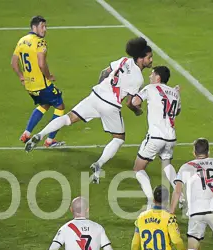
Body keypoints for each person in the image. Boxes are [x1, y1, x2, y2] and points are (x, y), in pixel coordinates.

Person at [25, 37, 153, 183]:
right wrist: (137, 111)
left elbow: (104, 72)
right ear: (141, 58)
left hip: (96, 95)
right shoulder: (138, 78)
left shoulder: (124, 60)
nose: (151, 60)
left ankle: (40, 135)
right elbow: (130, 103)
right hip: (110, 105)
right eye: (149, 57)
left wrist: (100, 89)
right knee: (118, 138)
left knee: (68, 118)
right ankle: (99, 164)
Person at [130, 66, 181, 207]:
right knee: (167, 166)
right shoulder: (175, 93)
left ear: (158, 77)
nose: (149, 77)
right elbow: (177, 111)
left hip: (155, 137)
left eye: (152, 74)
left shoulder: (150, 88)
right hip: (171, 137)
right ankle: (181, 197)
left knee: (138, 168)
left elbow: (135, 102)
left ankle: (151, 199)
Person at [11, 15, 66, 148]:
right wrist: (49, 76)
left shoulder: (22, 40)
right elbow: (42, 64)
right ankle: (49, 140)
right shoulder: (40, 42)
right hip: (42, 84)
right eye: (42, 26)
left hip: (30, 86)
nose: (45, 29)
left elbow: (13, 62)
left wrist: (21, 76)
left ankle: (27, 133)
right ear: (34, 27)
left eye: (45, 26)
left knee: (44, 105)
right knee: (60, 106)